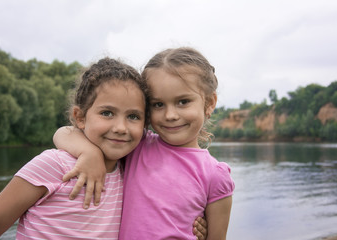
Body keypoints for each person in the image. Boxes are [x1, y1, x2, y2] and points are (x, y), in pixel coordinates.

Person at [0, 57, 207, 240]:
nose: (121, 128)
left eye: (133, 116)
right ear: (80, 117)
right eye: (107, 113)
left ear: (145, 124)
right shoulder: (54, 165)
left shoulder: (130, 171)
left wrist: (193, 226)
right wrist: (89, 153)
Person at [54, 47, 235, 239]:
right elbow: (63, 133)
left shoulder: (216, 175)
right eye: (158, 104)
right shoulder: (138, 145)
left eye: (183, 102)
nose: (170, 115)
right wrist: (89, 154)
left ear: (210, 103)